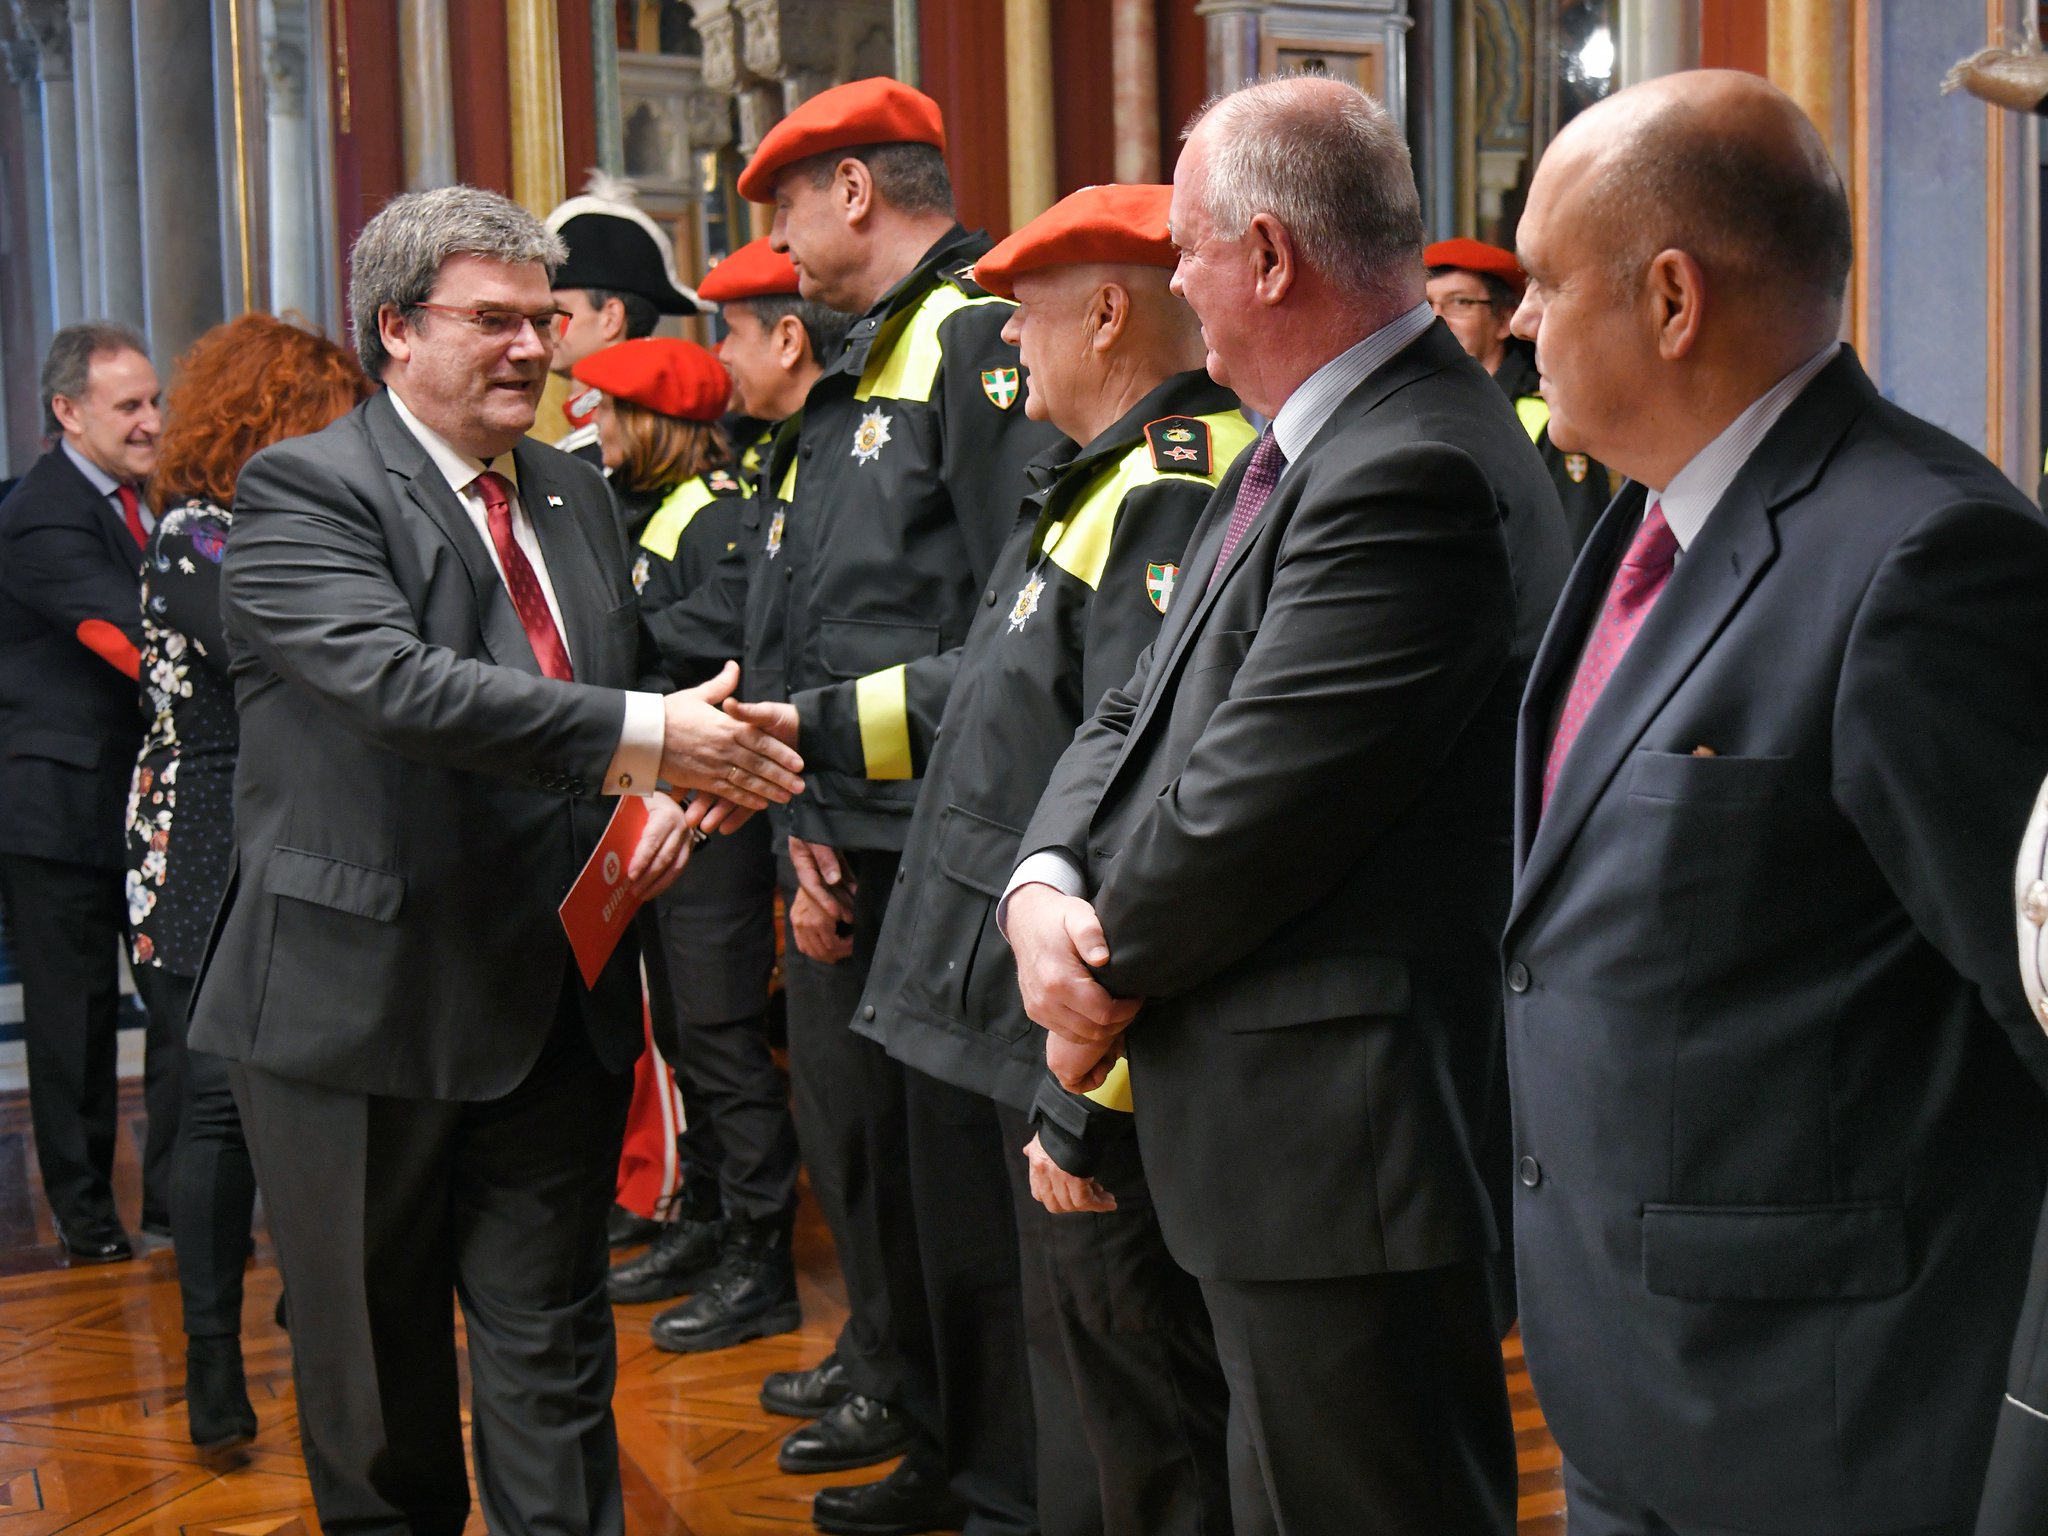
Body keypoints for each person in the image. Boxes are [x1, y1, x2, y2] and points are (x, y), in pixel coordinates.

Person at [187, 184, 806, 1536]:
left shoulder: (577, 490)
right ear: (396, 332)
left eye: (542, 322)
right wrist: (656, 738)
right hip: (357, 1017)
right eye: (493, 321)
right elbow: (406, 689)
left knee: (556, 1371)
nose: (532, 349)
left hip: (550, 1009)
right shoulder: (305, 491)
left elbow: (618, 683)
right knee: (378, 1399)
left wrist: (689, 792)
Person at [1000, 76, 1568, 1536]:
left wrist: (1085, 991)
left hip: (1344, 1161)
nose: (1174, 282)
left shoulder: (1411, 467)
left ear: (1265, 256)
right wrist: (1044, 875)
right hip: (1282, 1146)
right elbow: (1132, 704)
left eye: (1187, 248)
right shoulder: (1304, 445)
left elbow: (1248, 810)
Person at [1503, 69, 2048, 1536]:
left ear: (1671, 300)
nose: (1515, 319)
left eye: (1546, 282)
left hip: (1827, 1428)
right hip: (1630, 1381)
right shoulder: (1641, 522)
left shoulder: (1928, 563)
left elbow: (2033, 1015)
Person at [731, 181, 1247, 1536]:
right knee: (1058, 1359)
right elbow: (993, 687)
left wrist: (1097, 1079)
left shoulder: (1173, 486)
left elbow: (1150, 801)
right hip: (1015, 1002)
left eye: (1024, 316)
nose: (1006, 345)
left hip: (1084, 1031)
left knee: (1126, 1403)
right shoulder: (1097, 475)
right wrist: (817, 727)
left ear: (1112, 310)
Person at [721, 76, 1065, 1533]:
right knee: (913, 1188)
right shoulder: (879, 354)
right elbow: (823, 607)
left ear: (854, 190)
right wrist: (805, 814)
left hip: (954, 842)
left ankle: (997, 1476)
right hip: (862, 832)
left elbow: (1017, 617)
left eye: (787, 201)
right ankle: (938, 1435)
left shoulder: (979, 337)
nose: (783, 235)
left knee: (978, 1213)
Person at [123, 313, 370, 1449]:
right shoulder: (194, 536)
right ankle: (213, 1362)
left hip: (300, 829)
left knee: (315, 1092)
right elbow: (298, 651)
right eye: (326, 415)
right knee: (215, 1109)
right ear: (271, 421)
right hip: (204, 843)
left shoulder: (309, 527)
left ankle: (315, 1304)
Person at [571, 334, 803, 1354]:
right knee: (679, 1033)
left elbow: (729, 634)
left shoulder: (713, 515)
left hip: (710, 819)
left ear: (648, 422)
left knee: (719, 1035)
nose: (593, 431)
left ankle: (761, 1260)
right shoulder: (651, 511)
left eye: (606, 413)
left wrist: (620, 643)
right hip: (653, 804)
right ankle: (707, 1223)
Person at [0, 321, 162, 1264]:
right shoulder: (43, 511)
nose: (151, 421)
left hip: (130, 802)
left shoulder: (141, 501)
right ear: (68, 412)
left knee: (165, 1007)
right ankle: (87, 1219)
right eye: (129, 406)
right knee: (74, 1022)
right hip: (56, 814)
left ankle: (172, 1200)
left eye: (154, 401)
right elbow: (126, 636)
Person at [1426, 237, 1611, 550]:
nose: (1437, 318)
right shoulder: (1420, 405)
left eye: (1460, 302)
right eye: (1426, 304)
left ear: (1503, 320)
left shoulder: (1550, 412)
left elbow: (1577, 547)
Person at [544, 171, 704, 469]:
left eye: (558, 310)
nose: (545, 325)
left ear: (611, 317)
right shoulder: (579, 447)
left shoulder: (637, 447)